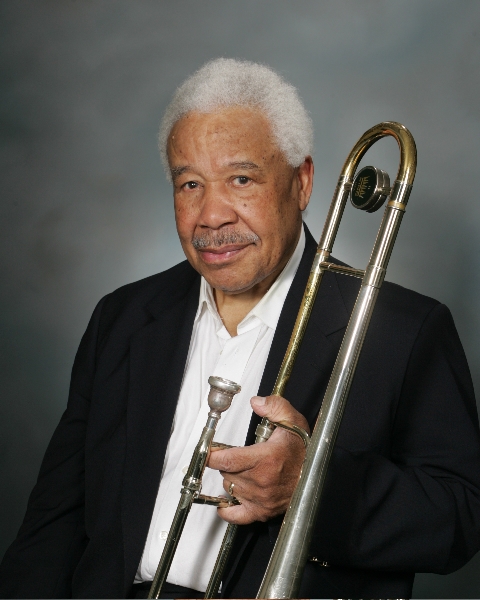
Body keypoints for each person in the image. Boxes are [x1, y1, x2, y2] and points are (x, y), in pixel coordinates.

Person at [1, 58, 480, 599]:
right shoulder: (123, 316)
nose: (211, 215)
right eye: (189, 184)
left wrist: (310, 487)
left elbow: (462, 516)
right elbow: (54, 522)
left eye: (241, 179)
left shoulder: (405, 330)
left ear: (302, 183)